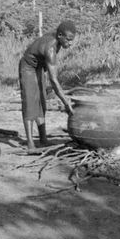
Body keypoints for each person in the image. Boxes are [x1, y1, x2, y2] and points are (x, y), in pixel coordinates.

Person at [18, 21, 76, 153]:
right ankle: (30, 143)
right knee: (30, 102)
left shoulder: (57, 38)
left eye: (72, 40)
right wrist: (66, 102)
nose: (70, 43)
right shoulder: (50, 48)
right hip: (28, 67)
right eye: (68, 40)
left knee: (41, 101)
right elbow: (54, 81)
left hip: (38, 67)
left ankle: (43, 139)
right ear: (60, 35)